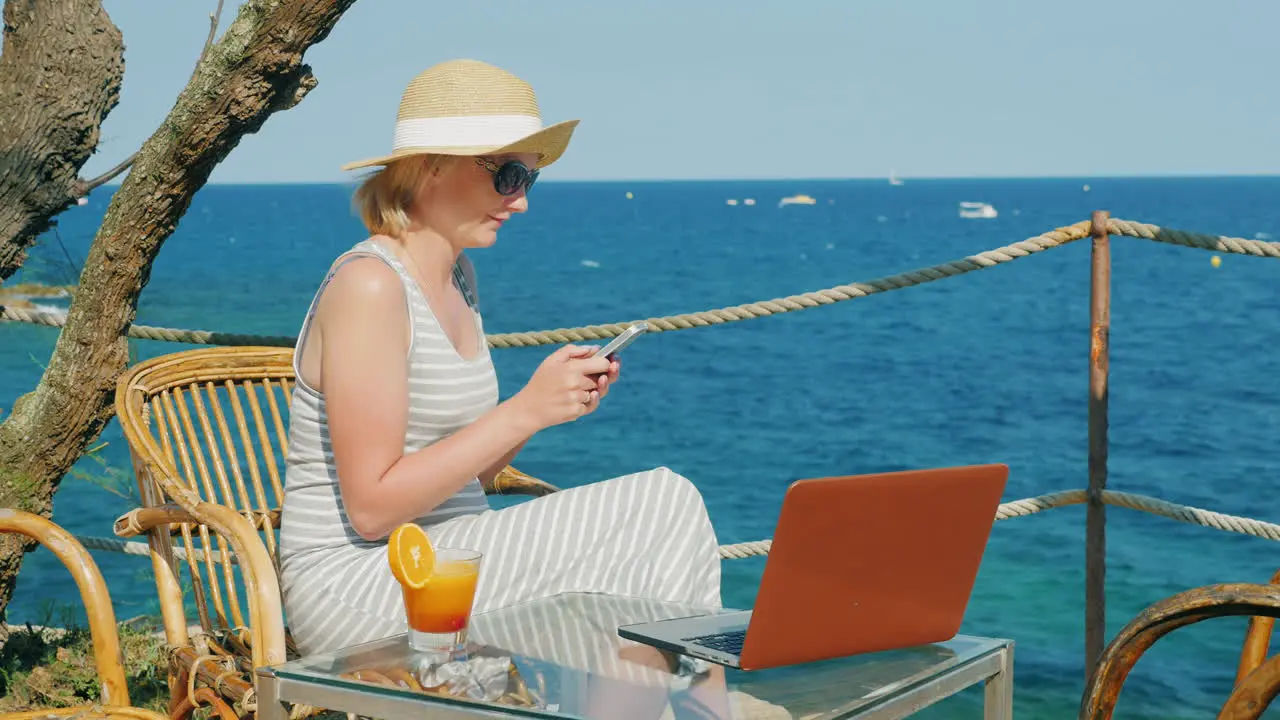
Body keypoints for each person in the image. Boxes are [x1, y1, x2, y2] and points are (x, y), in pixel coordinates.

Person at [277, 59, 724, 661]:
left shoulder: (459, 276)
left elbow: (468, 482)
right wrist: (522, 410)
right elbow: (373, 508)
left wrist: (544, 414)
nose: (520, 203)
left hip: (448, 558)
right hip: (359, 585)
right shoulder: (370, 286)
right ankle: (699, 707)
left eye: (528, 181)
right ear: (431, 166)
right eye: (508, 175)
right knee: (663, 502)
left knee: (654, 533)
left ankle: (676, 705)